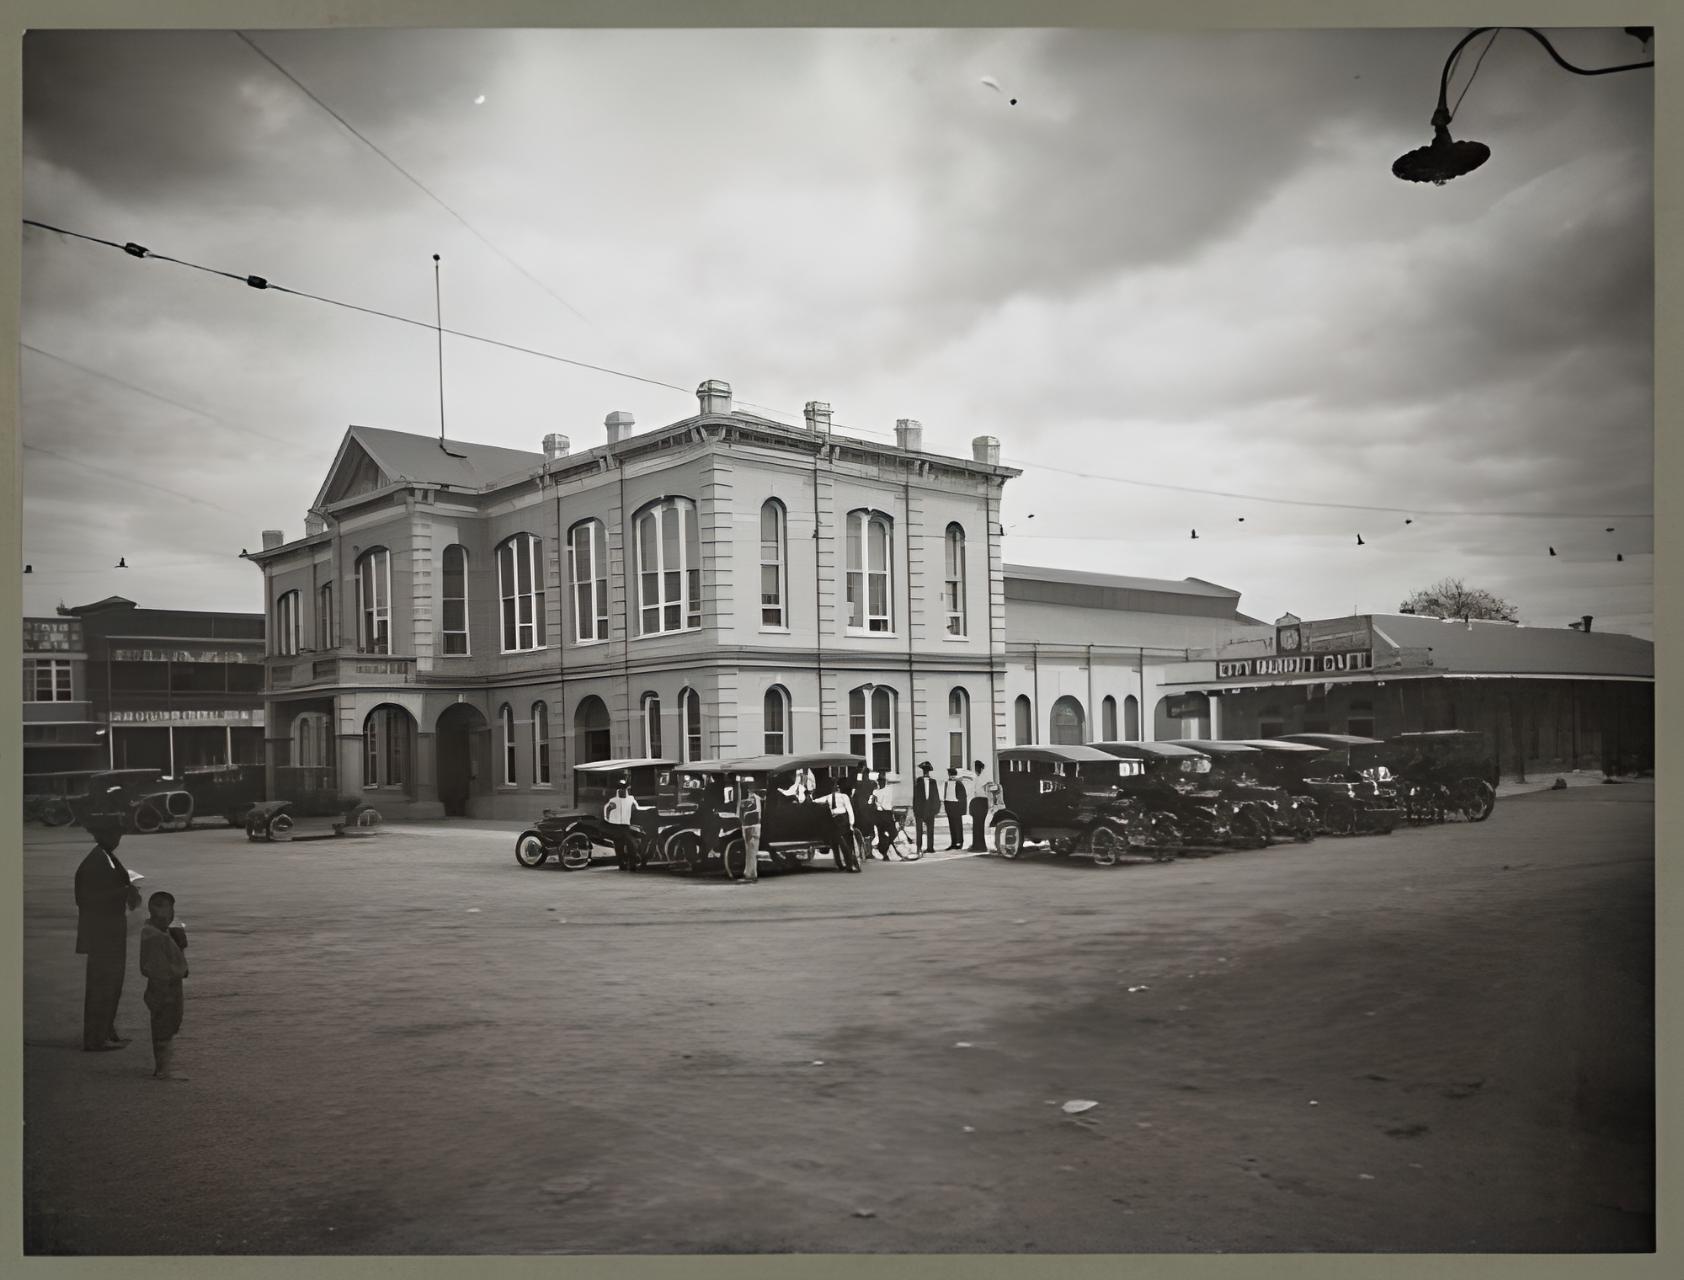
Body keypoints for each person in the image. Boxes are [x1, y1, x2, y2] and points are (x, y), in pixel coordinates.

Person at [75, 815, 142, 1052]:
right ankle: (96, 1037)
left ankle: (105, 1030)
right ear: (102, 835)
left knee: (111, 983)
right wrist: (124, 892)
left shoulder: (104, 857)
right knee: (103, 984)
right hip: (103, 933)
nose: (118, 839)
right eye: (115, 834)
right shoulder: (96, 861)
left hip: (108, 931)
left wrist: (125, 889)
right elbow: (86, 899)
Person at [138, 891, 189, 1081]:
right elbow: (158, 968)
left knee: (169, 1023)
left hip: (167, 986)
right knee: (163, 1027)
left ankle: (163, 1068)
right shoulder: (154, 935)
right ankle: (163, 1070)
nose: (173, 914)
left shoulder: (158, 932)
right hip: (164, 988)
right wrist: (179, 971)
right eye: (170, 909)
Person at [604, 781, 649, 871]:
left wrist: (646, 810)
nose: (622, 791)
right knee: (619, 846)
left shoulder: (631, 799)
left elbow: (637, 809)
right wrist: (608, 819)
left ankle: (632, 865)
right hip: (616, 826)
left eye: (624, 789)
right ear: (618, 790)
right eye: (620, 789)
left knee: (631, 845)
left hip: (626, 826)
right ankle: (622, 864)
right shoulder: (613, 800)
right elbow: (607, 809)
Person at [822, 782, 859, 871]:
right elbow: (818, 800)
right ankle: (842, 864)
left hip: (842, 818)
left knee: (845, 843)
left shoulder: (843, 796)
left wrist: (851, 823)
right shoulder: (830, 797)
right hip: (835, 819)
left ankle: (849, 864)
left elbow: (849, 809)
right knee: (837, 843)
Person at [735, 776, 762, 883]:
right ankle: (750, 873)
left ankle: (750, 875)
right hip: (750, 826)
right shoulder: (753, 798)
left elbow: (752, 811)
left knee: (751, 851)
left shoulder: (753, 798)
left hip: (752, 826)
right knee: (750, 851)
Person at [941, 765, 973, 850]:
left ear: (955, 775)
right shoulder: (946, 783)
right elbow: (945, 795)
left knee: (958, 825)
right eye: (950, 775)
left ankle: (960, 842)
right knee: (952, 825)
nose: (951, 777)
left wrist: (962, 810)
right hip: (949, 805)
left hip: (956, 806)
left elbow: (963, 797)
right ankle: (953, 843)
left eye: (952, 775)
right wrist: (946, 805)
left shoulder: (959, 783)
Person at [912, 761, 941, 854]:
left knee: (930, 829)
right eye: (924, 771)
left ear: (929, 772)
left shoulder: (933, 782)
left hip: (930, 809)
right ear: (922, 771)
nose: (926, 773)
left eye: (927, 771)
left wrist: (936, 809)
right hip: (920, 809)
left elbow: (936, 796)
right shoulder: (918, 781)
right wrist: (915, 809)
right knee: (919, 830)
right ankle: (919, 847)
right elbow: (915, 797)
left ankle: (930, 847)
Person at [968, 760, 995, 852]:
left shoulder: (985, 778)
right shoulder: (978, 777)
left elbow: (990, 791)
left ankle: (980, 846)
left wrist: (991, 804)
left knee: (979, 825)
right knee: (976, 825)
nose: (975, 770)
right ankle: (977, 845)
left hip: (982, 801)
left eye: (976, 768)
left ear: (980, 768)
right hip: (977, 802)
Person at [871, 771, 897, 859]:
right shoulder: (875, 792)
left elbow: (892, 802)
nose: (881, 782)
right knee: (882, 834)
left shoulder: (888, 790)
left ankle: (890, 849)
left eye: (882, 781)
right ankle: (885, 852)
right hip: (881, 814)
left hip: (887, 813)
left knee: (892, 833)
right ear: (878, 782)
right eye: (880, 781)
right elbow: (871, 803)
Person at [850, 766, 877, 850]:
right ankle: (867, 850)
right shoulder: (871, 784)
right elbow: (874, 797)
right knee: (868, 831)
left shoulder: (859, 784)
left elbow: (854, 798)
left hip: (861, 811)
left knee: (863, 831)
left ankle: (864, 849)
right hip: (866, 810)